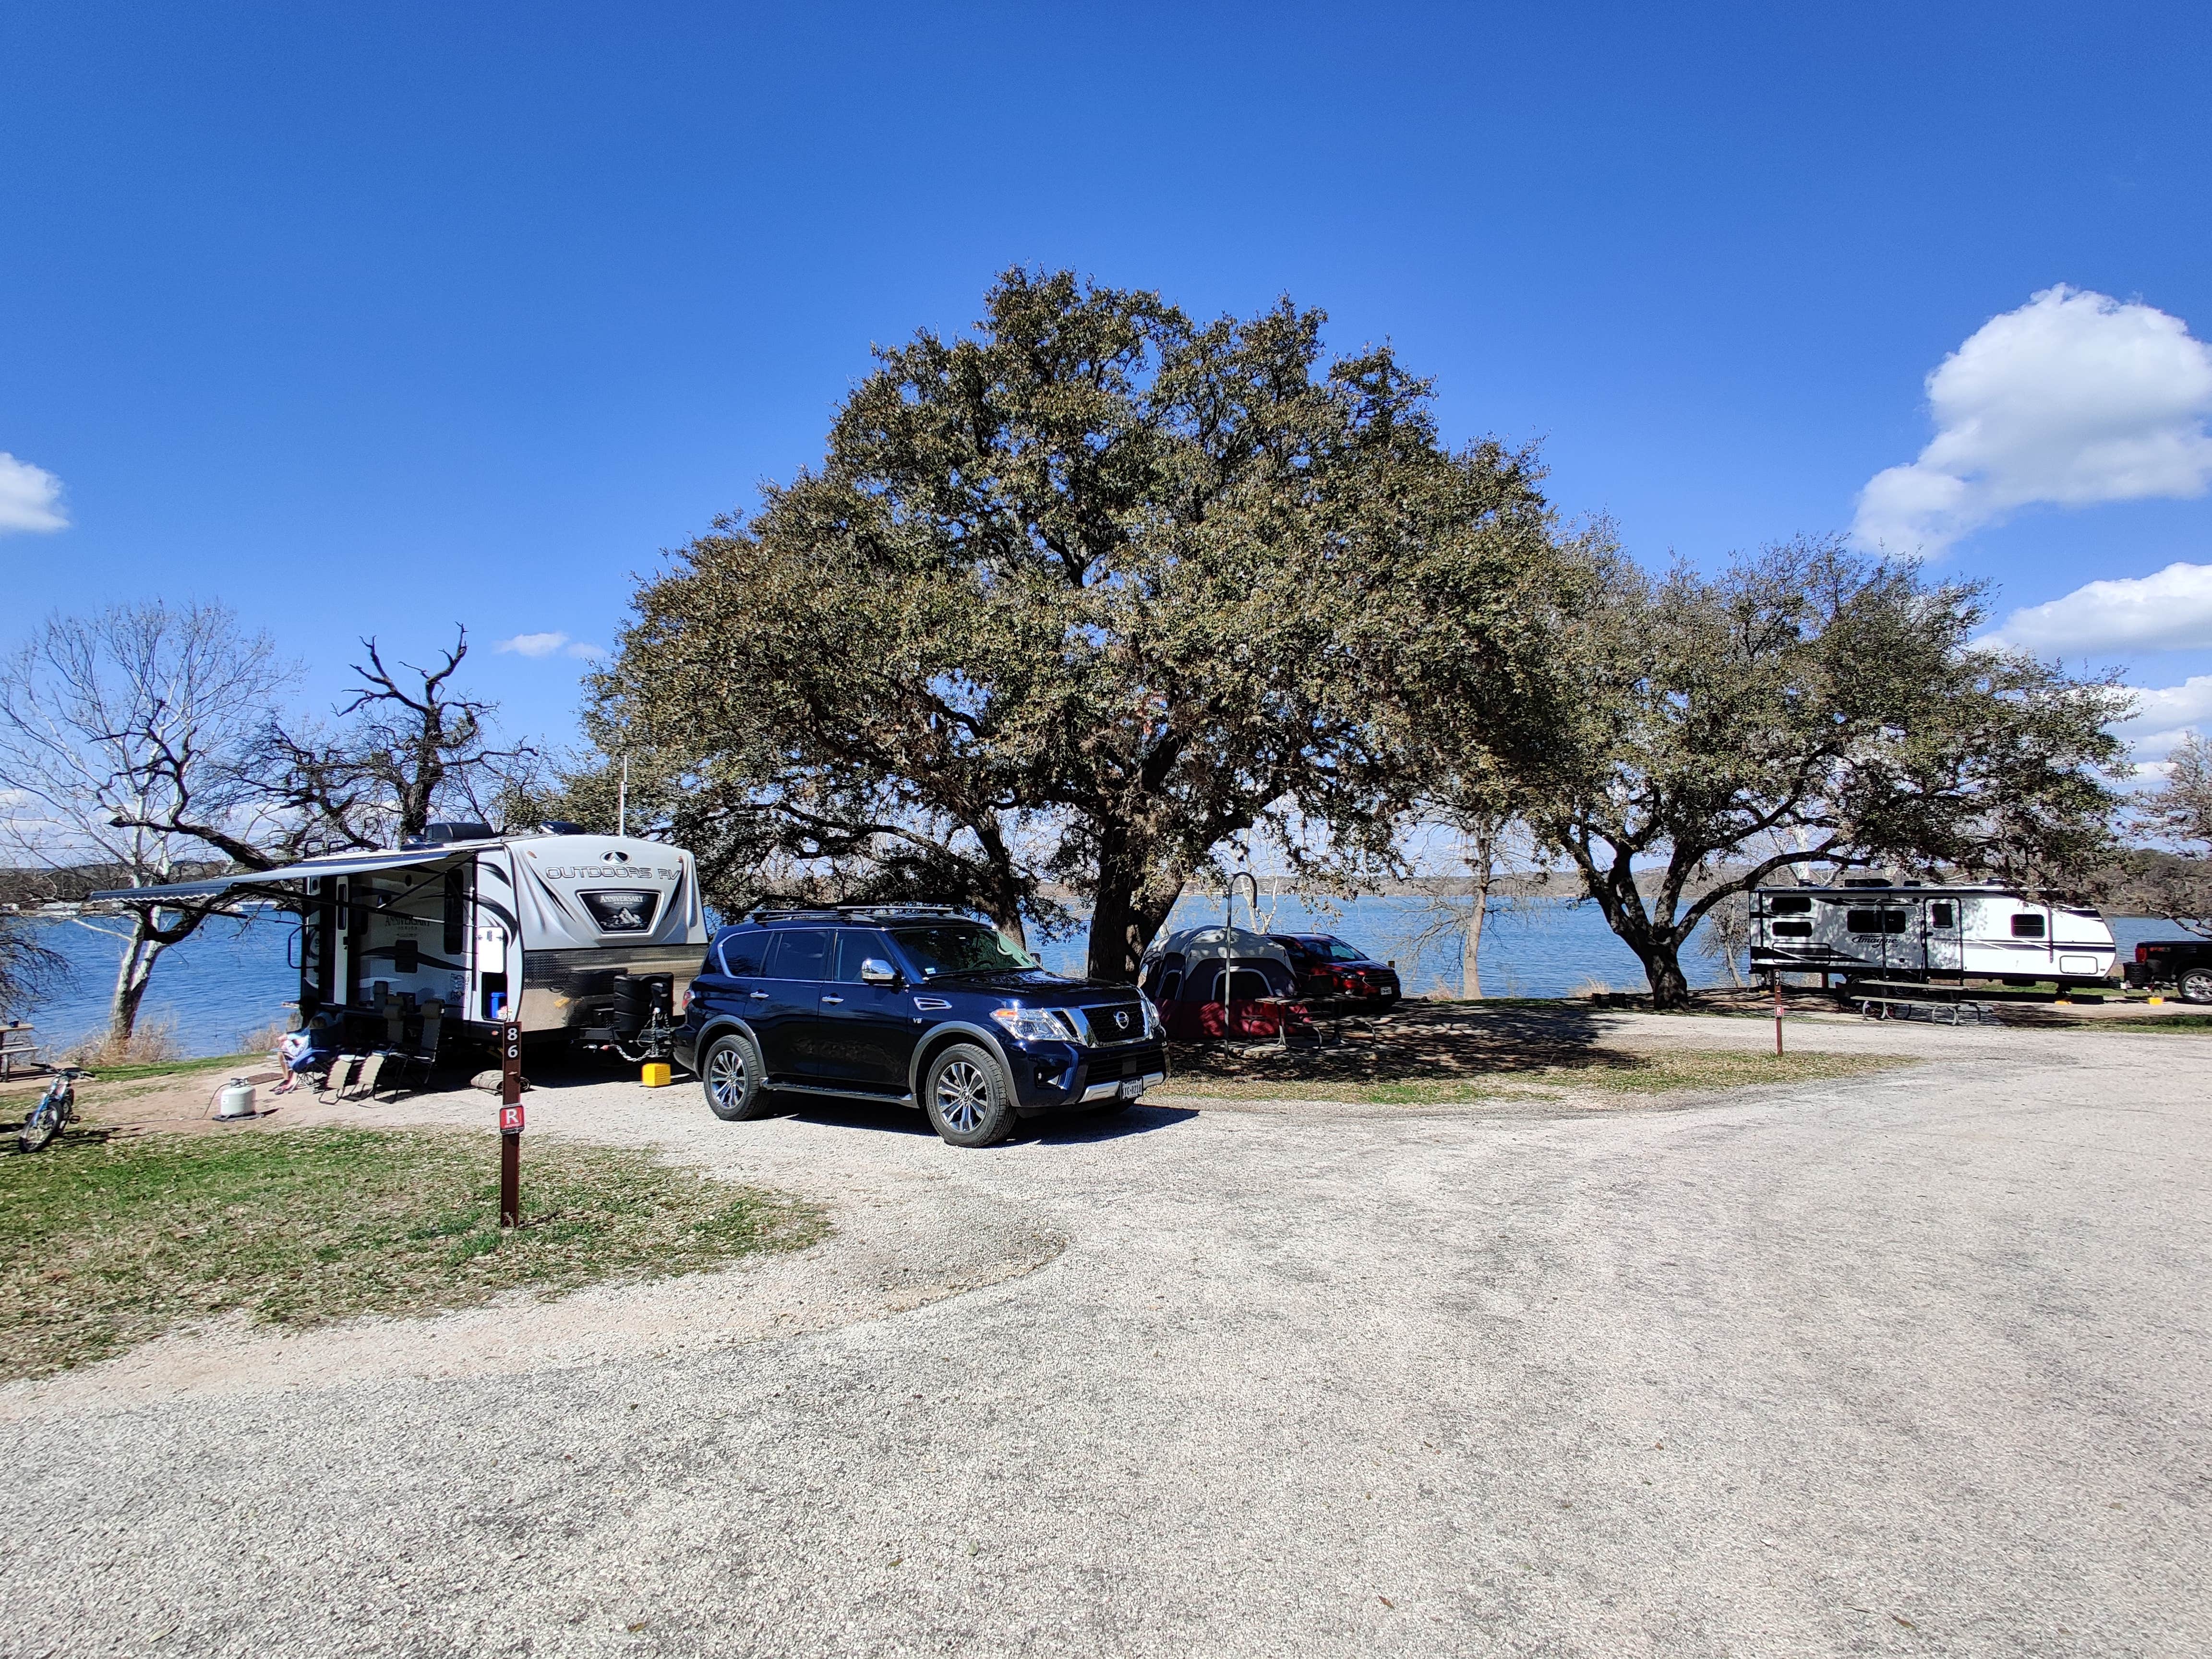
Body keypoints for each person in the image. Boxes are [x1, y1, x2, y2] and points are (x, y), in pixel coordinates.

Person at [273, 1013, 338, 1094]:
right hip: (329, 1058)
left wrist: (287, 1043)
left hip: (312, 1062)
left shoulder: (310, 1038)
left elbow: (297, 1053)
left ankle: (288, 1080)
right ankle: (289, 1079)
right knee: (285, 1050)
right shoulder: (332, 1035)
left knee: (282, 1052)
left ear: (310, 1028)